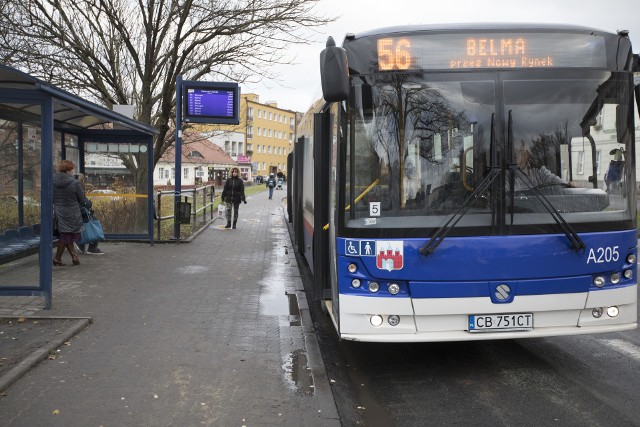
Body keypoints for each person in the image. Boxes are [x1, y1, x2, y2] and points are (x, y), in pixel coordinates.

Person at [52, 160, 88, 266]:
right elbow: (82, 199)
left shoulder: (52, 181)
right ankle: (57, 258)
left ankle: (74, 256)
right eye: (72, 169)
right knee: (66, 235)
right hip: (72, 212)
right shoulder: (74, 182)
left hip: (59, 212)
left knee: (66, 234)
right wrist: (88, 203)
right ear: (69, 170)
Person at [511, 146, 575, 192]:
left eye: (519, 151)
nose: (515, 154)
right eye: (513, 151)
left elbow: (553, 180)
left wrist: (568, 184)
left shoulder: (538, 171)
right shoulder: (507, 174)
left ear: (526, 154)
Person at [75, 173, 104, 255]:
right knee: (94, 227)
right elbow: (83, 201)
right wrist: (89, 203)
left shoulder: (69, 186)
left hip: (74, 212)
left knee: (82, 228)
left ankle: (81, 246)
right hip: (82, 211)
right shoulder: (78, 186)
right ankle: (92, 248)